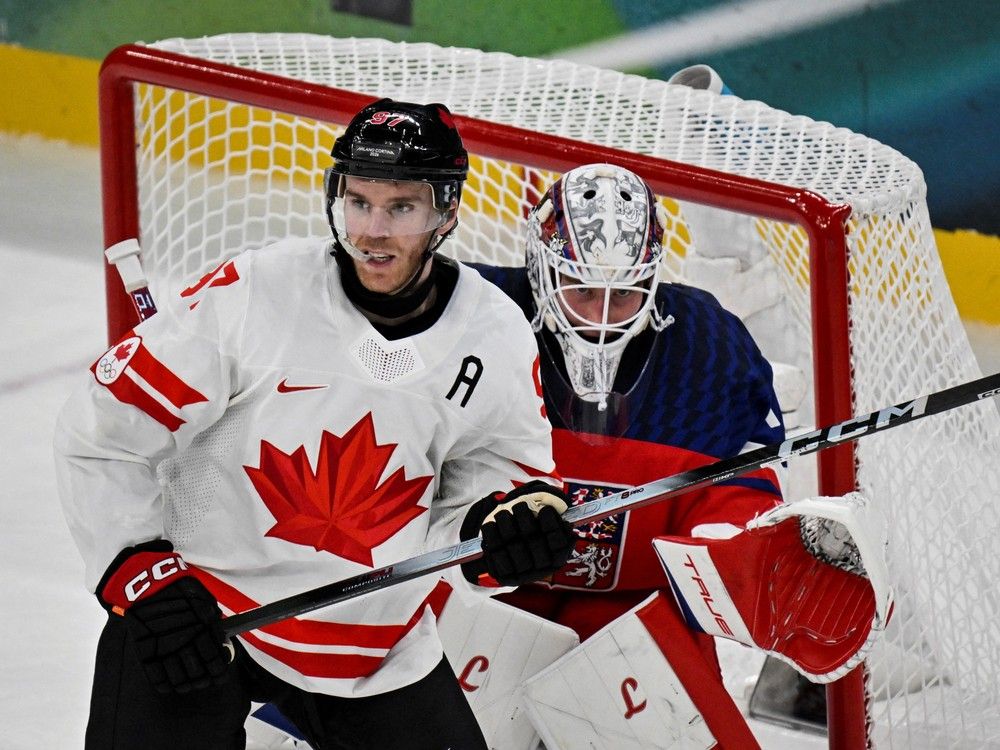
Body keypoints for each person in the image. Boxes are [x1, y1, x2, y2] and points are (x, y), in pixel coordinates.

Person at [54, 98, 575, 750]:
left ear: (446, 211)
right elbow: (104, 433)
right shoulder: (258, 291)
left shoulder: (493, 330)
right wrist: (142, 576)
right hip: (202, 607)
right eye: (359, 202)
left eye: (401, 207)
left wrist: (511, 528)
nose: (373, 230)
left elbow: (505, 476)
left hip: (370, 634)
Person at [473, 162, 787, 663]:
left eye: (623, 294)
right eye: (581, 290)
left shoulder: (708, 346)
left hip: (642, 618)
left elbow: (741, 487)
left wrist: (729, 548)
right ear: (541, 271)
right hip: (486, 612)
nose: (600, 318)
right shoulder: (475, 318)